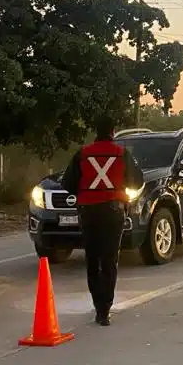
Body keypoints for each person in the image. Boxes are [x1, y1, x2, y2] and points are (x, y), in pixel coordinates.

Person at [60, 115, 143, 326]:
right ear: (113, 131)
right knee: (109, 260)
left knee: (92, 258)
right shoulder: (122, 154)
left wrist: (85, 191)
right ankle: (104, 310)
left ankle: (97, 302)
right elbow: (137, 179)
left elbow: (67, 183)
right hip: (113, 211)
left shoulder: (83, 153)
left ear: (95, 132)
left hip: (88, 211)